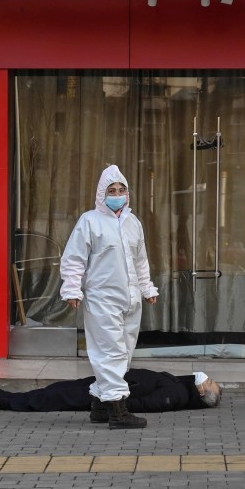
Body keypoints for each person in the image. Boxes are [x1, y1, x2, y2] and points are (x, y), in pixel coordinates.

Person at [60, 165, 159, 429]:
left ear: (128, 194)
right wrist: (72, 289)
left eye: (121, 190)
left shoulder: (132, 222)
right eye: (111, 190)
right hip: (102, 298)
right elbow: (74, 258)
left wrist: (147, 288)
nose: (117, 194)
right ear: (101, 195)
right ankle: (118, 411)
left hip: (131, 298)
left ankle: (99, 405)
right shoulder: (90, 221)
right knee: (110, 353)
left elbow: (140, 260)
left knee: (123, 352)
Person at [0, 369, 222, 414]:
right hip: (110, 380)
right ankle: (3, 396)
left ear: (202, 392)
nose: (207, 377)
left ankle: (1, 400)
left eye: (209, 381)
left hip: (109, 392)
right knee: (60, 389)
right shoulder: (181, 386)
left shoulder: (177, 395)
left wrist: (113, 403)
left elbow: (147, 403)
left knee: (55, 398)